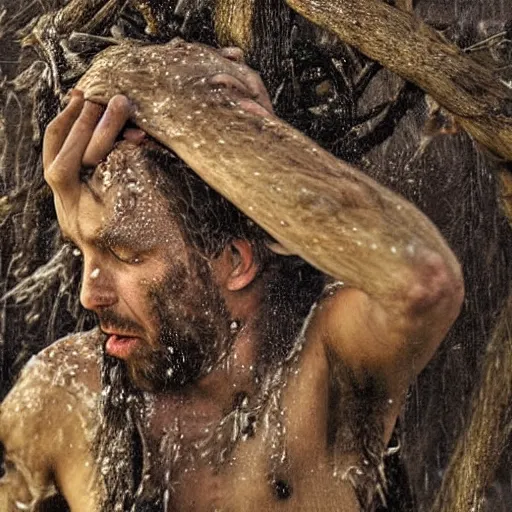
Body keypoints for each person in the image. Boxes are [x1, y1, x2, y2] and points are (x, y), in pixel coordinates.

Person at [0, 42, 464, 511]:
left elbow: (422, 282)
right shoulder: (67, 392)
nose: (88, 295)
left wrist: (210, 122)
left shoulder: (325, 375)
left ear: (237, 261)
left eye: (125, 255)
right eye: (82, 249)